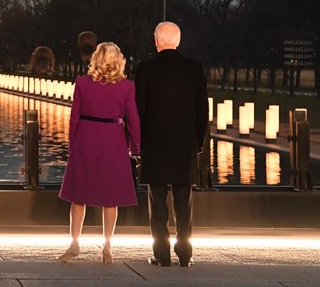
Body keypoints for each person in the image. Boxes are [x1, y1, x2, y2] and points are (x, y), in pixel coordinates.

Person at [58, 42, 141, 264]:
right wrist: (136, 147)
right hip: (113, 139)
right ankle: (107, 246)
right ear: (118, 60)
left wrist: (72, 142)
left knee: (78, 196)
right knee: (110, 198)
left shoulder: (82, 83)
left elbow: (74, 117)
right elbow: (133, 119)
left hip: (86, 137)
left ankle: (74, 243)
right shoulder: (126, 87)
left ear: (95, 59)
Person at [134, 21, 208, 268]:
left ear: (156, 40)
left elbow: (139, 111)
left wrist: (138, 141)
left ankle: (161, 254)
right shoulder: (194, 69)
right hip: (184, 144)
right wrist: (197, 142)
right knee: (184, 201)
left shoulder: (145, 69)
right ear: (179, 40)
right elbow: (202, 110)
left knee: (157, 201)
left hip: (154, 144)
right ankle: (185, 253)